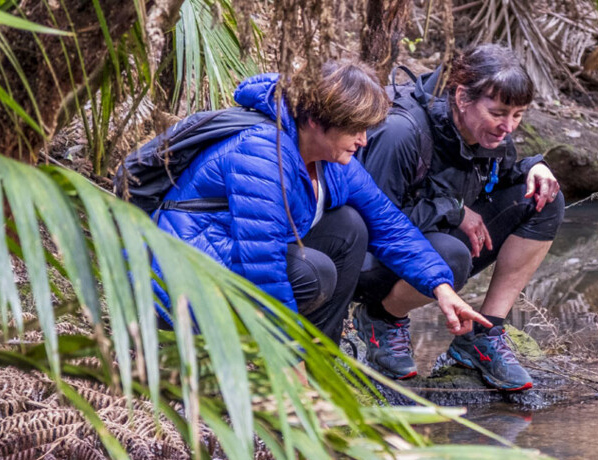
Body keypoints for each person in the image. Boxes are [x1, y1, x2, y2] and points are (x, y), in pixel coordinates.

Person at [150, 60, 488, 349]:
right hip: (175, 280)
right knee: (314, 271)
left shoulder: (333, 162)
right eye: (356, 129)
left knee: (350, 225)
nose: (364, 140)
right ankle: (284, 365)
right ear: (316, 121)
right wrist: (289, 362)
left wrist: (442, 289)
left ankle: (322, 358)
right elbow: (263, 266)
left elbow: (389, 225)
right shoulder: (262, 153)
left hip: (226, 263)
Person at [354, 44, 564, 391]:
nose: (508, 127)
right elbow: (372, 221)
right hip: (369, 260)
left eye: (518, 115)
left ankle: (483, 334)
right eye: (498, 113)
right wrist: (453, 209)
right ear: (463, 97)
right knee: (452, 255)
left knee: (545, 199)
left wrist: (534, 167)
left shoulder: (489, 135)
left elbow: (505, 177)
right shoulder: (401, 132)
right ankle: (381, 319)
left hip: (433, 239)